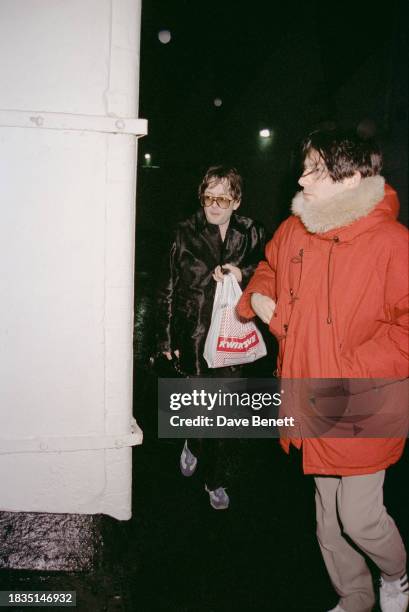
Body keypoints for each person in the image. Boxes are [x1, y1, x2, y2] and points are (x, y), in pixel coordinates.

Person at [237, 129, 409, 611]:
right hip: (308, 391)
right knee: (327, 520)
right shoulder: (296, 229)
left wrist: (349, 365)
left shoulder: (393, 243)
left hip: (367, 397)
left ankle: (396, 575)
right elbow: (268, 268)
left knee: (359, 517)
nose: (301, 177)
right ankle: (354, 595)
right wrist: (259, 297)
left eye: (314, 169)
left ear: (352, 177)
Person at [157, 165, 265, 509]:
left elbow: (269, 273)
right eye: (209, 197)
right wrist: (166, 339)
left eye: (224, 197)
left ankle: (214, 479)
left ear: (237, 201)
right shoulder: (184, 232)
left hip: (233, 333)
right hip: (194, 335)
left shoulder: (251, 232)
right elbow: (168, 287)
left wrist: (241, 272)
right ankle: (194, 441)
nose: (215, 205)